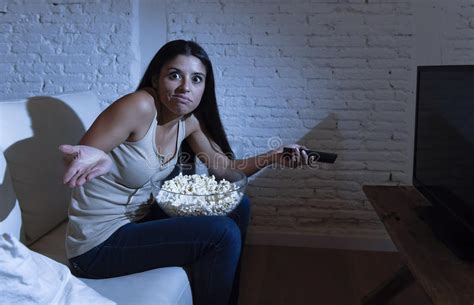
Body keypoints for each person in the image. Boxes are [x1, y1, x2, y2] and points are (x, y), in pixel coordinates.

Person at [59, 39, 310, 305]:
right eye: (174, 75)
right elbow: (78, 158)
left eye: (197, 79)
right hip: (98, 246)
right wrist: (94, 157)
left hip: (138, 221)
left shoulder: (188, 123)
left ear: (204, 88)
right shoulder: (139, 106)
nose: (185, 88)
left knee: (239, 206)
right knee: (221, 233)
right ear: (156, 79)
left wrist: (273, 156)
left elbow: (224, 170)